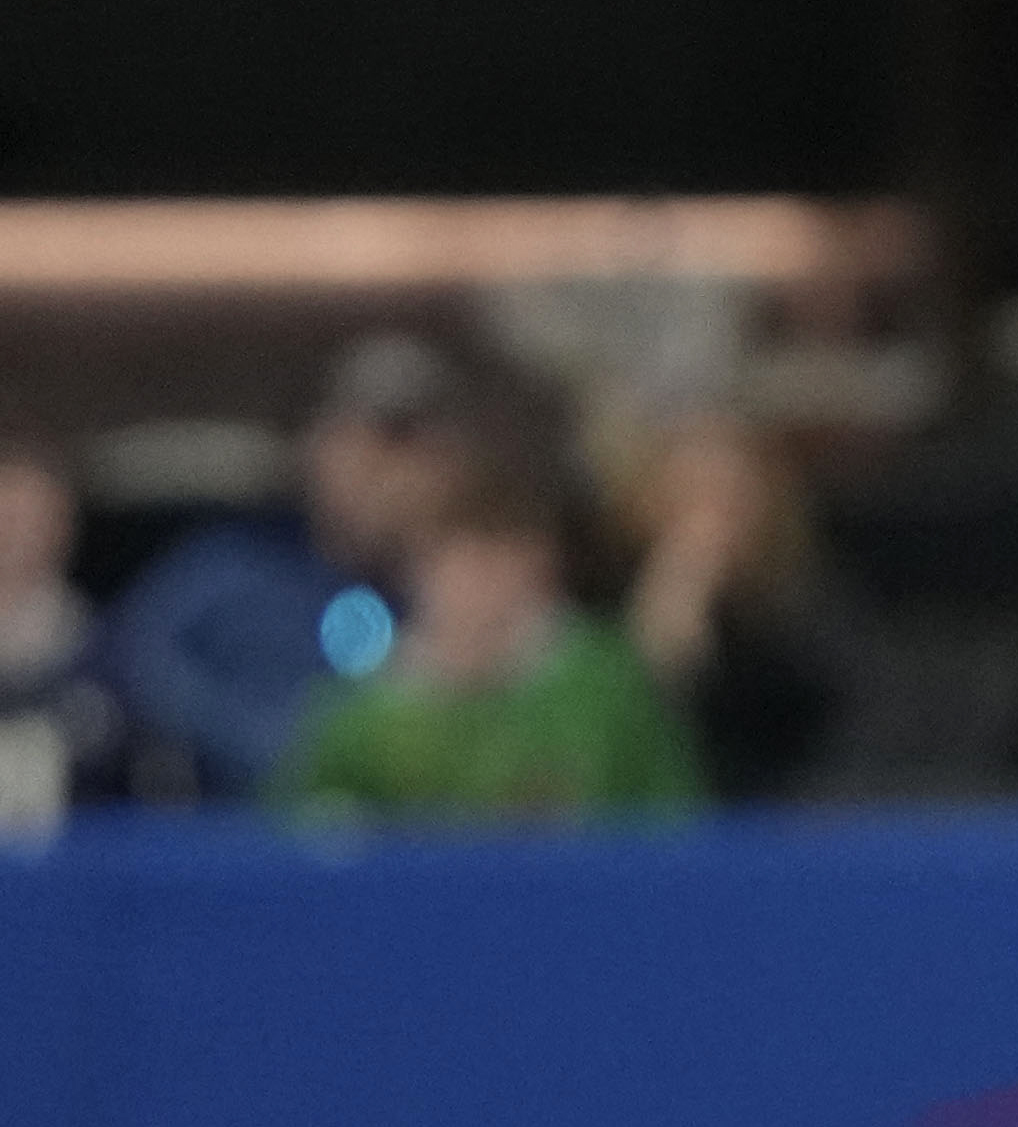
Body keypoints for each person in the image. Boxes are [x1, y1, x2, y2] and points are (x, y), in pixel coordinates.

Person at [106, 331, 469, 797]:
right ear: (316, 448)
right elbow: (128, 664)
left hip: (409, 854)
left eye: (413, 450)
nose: (387, 474)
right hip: (242, 849)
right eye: (365, 444)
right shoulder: (230, 570)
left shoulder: (472, 594)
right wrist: (274, 749)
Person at [276, 441, 699, 824]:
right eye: (458, 552)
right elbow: (304, 843)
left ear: (542, 560)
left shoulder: (610, 686)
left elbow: (673, 826)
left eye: (502, 549)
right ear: (417, 565)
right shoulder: (357, 719)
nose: (482, 579)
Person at [619, 417, 854, 801]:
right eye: (689, 497)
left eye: (730, 498)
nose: (709, 522)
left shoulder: (809, 609)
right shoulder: (602, 596)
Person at [0, 435, 126, 832]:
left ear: (62, 527)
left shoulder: (107, 649)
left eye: (30, 516)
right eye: (5, 515)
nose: (13, 536)